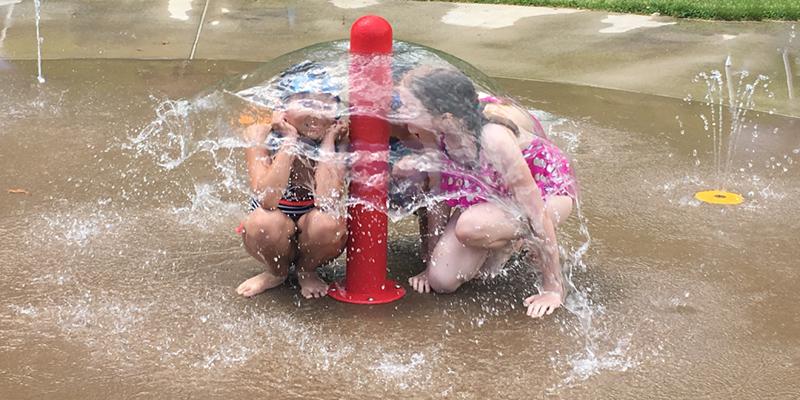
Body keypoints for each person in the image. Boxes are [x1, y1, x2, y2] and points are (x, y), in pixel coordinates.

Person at [393, 67, 577, 318]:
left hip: (544, 193)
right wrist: (431, 261)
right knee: (442, 281)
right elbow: (438, 195)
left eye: (409, 108)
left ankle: (514, 241)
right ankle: (500, 236)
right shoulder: (431, 131)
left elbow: (536, 212)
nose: (401, 113)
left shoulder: (493, 139)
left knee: (471, 227)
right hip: (491, 193)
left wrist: (552, 286)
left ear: (445, 116)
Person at [235, 66, 348, 299]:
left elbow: (327, 200)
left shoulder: (339, 138)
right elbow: (268, 198)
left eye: (325, 105)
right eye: (307, 104)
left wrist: (328, 142)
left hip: (316, 233)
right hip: (272, 228)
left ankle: (307, 270)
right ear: (282, 107)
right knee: (262, 221)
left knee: (327, 222)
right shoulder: (260, 135)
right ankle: (276, 272)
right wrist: (290, 142)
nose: (316, 115)